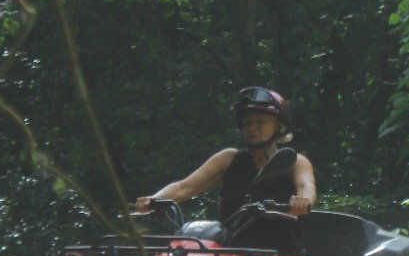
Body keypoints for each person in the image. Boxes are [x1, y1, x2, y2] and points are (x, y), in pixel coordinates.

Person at [135, 86, 316, 222]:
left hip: (281, 255)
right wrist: (153, 200)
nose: (252, 128)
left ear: (279, 127)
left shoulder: (295, 161)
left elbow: (306, 186)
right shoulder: (228, 159)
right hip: (232, 253)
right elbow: (184, 187)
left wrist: (303, 201)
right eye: (247, 122)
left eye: (260, 122)